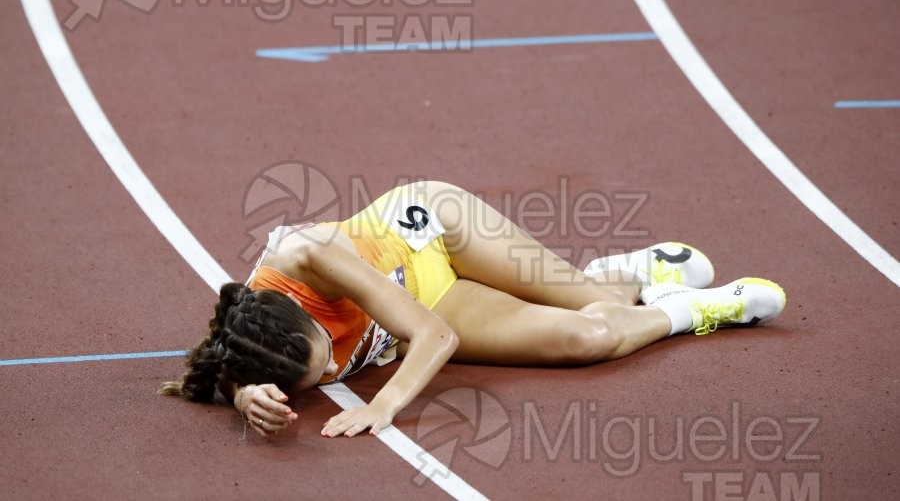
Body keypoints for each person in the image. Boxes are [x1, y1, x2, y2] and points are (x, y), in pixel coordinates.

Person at [159, 181, 785, 438]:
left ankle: (624, 280)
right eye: (323, 379)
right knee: (586, 339)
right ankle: (696, 308)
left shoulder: (310, 254)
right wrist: (245, 397)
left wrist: (386, 404)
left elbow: (432, 336)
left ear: (309, 312)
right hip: (433, 297)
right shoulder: (253, 343)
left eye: (326, 357)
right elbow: (224, 361)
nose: (330, 377)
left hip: (436, 233)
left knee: (592, 301)